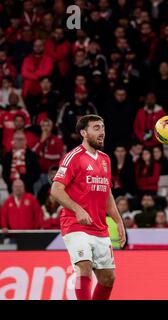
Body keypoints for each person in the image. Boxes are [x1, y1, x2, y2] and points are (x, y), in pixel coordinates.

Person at [50, 115, 126, 300]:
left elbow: (106, 193)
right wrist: (78, 209)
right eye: (96, 128)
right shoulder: (73, 157)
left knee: (108, 278)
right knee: (84, 267)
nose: (102, 133)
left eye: (103, 128)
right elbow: (56, 189)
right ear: (84, 133)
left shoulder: (105, 159)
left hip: (99, 227)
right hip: (76, 225)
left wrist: (118, 221)